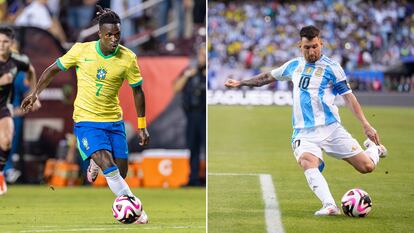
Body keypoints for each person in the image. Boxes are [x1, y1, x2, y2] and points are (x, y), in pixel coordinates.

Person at [224, 25, 388, 216]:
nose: (312, 51)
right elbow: (267, 77)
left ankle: (375, 149)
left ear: (321, 44)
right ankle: (329, 205)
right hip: (304, 132)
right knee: (307, 161)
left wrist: (365, 124)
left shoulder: (332, 68)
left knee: (366, 167)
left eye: (315, 46)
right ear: (299, 46)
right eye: (307, 47)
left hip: (331, 129)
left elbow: (349, 98)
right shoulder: (294, 65)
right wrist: (241, 82)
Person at [21, 6, 150, 224]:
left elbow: (137, 91)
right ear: (99, 34)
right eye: (109, 34)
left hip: (113, 120)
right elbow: (53, 69)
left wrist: (142, 124)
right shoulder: (81, 51)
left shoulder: (128, 58)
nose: (114, 39)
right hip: (86, 120)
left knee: (121, 171)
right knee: (109, 167)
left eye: (117, 34)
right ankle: (135, 208)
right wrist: (35, 93)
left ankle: (95, 164)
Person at [0, 26, 38, 195]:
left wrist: (33, 95)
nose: (1, 45)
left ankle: (0, 174)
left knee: (7, 140)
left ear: (12, 43)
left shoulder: (18, 60)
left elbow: (31, 70)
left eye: (5, 42)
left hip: (3, 106)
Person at [174, 43, 206, 186]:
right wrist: (187, 75)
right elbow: (176, 87)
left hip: (206, 115)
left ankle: (207, 178)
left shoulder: (209, 73)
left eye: (205, 55)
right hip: (192, 114)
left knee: (206, 147)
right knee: (193, 147)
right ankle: (193, 178)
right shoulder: (190, 71)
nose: (203, 58)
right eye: (201, 54)